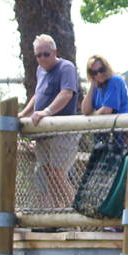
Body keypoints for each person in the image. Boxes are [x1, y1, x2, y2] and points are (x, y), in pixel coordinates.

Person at [20, 34, 81, 210]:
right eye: (38, 55)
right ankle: (59, 212)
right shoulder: (40, 70)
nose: (42, 58)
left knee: (58, 173)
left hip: (63, 130)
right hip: (44, 134)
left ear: (55, 51)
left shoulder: (65, 67)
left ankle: (75, 214)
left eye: (46, 54)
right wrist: (24, 113)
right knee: (48, 174)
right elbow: (38, 95)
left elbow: (66, 93)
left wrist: (46, 112)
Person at [81, 53, 128, 152]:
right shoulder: (97, 86)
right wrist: (92, 85)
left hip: (121, 137)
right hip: (104, 138)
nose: (98, 74)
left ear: (106, 68)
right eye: (94, 72)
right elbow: (85, 110)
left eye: (101, 70)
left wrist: (92, 118)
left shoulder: (114, 81)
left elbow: (106, 110)